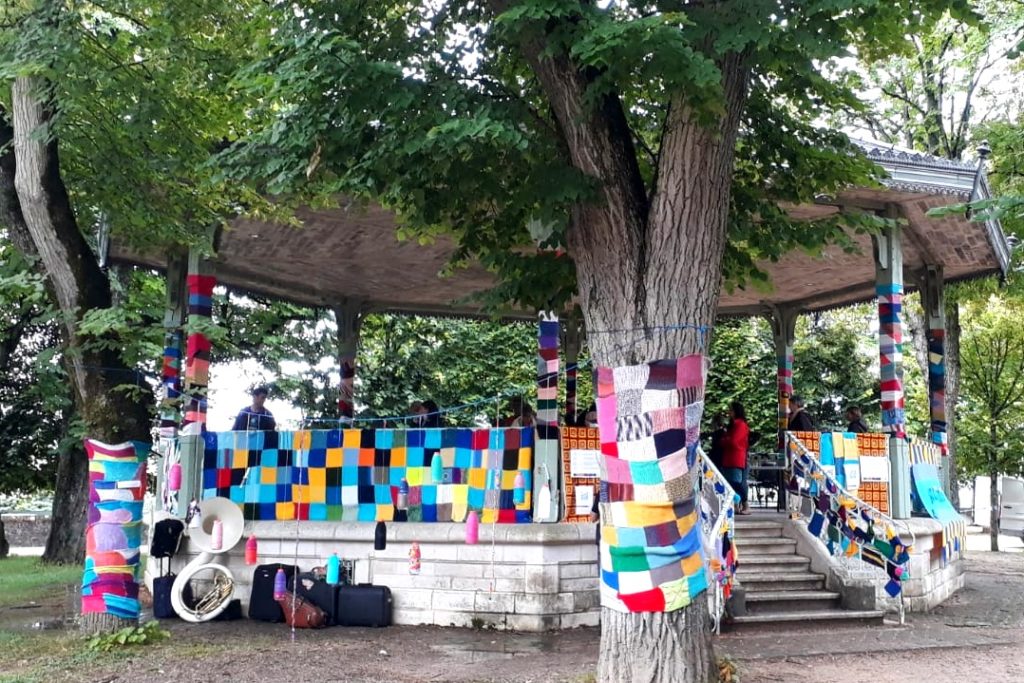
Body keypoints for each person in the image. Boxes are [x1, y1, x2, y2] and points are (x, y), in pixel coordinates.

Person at [720, 401, 751, 515]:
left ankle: (745, 503)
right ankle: (736, 505)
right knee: (731, 482)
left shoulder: (740, 424)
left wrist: (724, 440)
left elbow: (734, 441)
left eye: (731, 410)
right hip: (730, 457)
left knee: (736, 482)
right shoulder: (734, 424)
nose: (729, 412)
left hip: (736, 457)